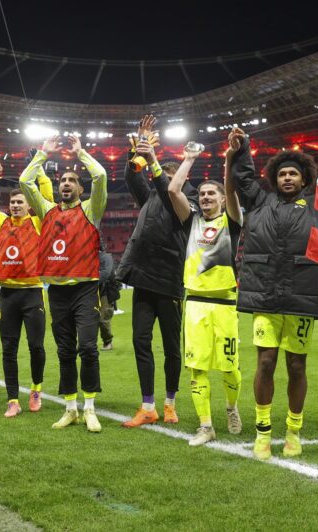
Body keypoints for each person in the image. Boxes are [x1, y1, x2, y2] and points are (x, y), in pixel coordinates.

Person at [230, 125, 318, 460]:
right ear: (275, 178)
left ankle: (293, 432)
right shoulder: (259, 201)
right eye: (282, 173)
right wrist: (242, 148)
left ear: (304, 179)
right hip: (265, 297)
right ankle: (263, 432)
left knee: (297, 366)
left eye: (293, 174)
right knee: (266, 363)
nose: (287, 178)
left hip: (301, 295)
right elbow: (243, 179)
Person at [20, 134, 107, 433]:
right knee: (65, 350)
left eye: (72, 180)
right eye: (63, 181)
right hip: (56, 290)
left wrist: (81, 153)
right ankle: (71, 408)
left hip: (84, 288)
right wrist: (43, 154)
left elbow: (101, 175)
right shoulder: (47, 212)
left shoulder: (91, 210)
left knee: (88, 347)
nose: (66, 184)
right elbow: (25, 182)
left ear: (81, 189)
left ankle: (90, 408)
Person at [117, 115, 198, 428]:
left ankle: (170, 403)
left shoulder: (187, 201)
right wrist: (138, 148)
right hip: (142, 276)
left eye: (170, 172)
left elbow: (167, 190)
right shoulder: (149, 195)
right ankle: (148, 405)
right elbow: (131, 177)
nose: (165, 176)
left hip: (169, 280)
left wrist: (153, 161)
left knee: (171, 347)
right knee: (141, 341)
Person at [167, 141, 243, 446]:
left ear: (223, 200)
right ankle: (205, 425)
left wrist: (227, 160)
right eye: (202, 194)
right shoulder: (192, 222)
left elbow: (233, 189)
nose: (206, 197)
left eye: (212, 193)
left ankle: (231, 407)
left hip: (225, 305)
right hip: (196, 304)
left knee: (230, 368)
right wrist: (189, 159)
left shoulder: (232, 222)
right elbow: (173, 191)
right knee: (196, 368)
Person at [0, 156, 53, 417]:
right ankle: (12, 399)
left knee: (36, 346)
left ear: (29, 205)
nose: (16, 205)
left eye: (20, 202)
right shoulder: (0, 223)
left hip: (33, 293)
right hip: (7, 295)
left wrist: (39, 167)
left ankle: (35, 390)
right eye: (13, 202)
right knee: (9, 349)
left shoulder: (38, 222)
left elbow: (47, 196)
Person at [97, 248, 115, 351]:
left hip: (105, 293)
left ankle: (107, 342)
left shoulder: (106, 257)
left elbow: (105, 274)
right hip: (90, 291)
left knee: (103, 319)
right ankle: (88, 343)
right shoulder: (87, 256)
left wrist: (90, 280)